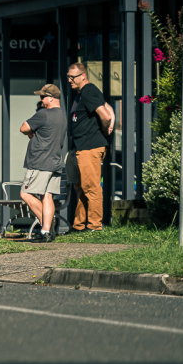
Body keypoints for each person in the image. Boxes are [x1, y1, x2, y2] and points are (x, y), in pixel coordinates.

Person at [64, 63, 114, 232]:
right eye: (68, 77)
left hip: (90, 146)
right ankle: (79, 226)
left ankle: (94, 226)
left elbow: (106, 115)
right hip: (80, 147)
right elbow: (109, 108)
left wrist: (104, 130)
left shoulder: (89, 90)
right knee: (80, 187)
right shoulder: (81, 94)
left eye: (72, 77)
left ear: (83, 76)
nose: (69, 80)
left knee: (91, 187)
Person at [19, 84, 67, 242]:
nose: (40, 100)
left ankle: (47, 224)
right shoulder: (62, 116)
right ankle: (46, 231)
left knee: (25, 194)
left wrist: (32, 133)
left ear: (51, 98)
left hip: (40, 162)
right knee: (47, 196)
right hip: (54, 162)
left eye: (43, 96)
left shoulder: (43, 114)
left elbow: (23, 128)